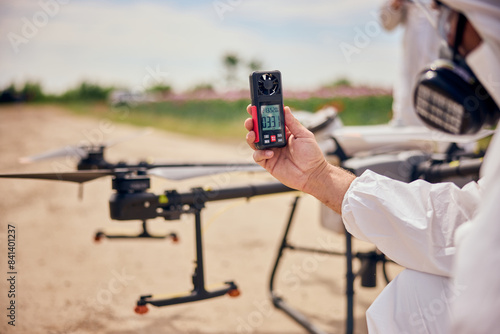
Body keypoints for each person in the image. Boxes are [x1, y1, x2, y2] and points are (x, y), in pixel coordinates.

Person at [244, 0, 500, 332]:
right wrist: (318, 177)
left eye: (451, 21)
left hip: (437, 136)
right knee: (416, 293)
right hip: (406, 117)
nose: (447, 39)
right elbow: (460, 223)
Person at [379, 0, 442, 127]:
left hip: (444, 58)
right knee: (409, 114)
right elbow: (387, 23)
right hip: (411, 66)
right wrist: (395, 4)